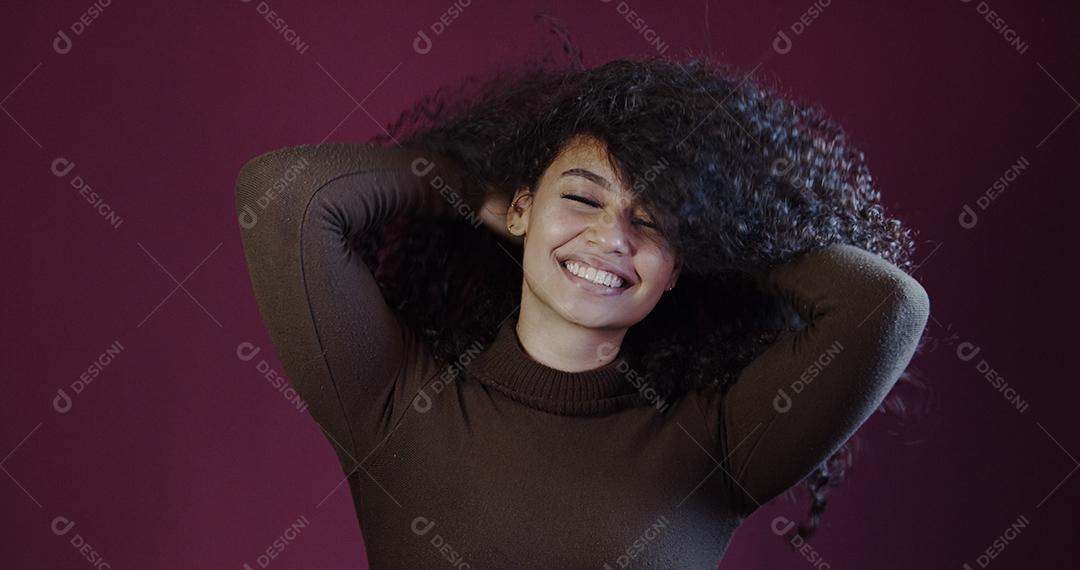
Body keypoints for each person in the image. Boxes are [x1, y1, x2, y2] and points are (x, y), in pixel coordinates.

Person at [233, 55, 930, 569]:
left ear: (680, 263)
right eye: (583, 198)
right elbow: (287, 198)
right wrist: (479, 188)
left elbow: (885, 306)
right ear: (523, 209)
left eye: (652, 221)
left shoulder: (716, 447)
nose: (611, 237)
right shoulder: (393, 403)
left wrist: (719, 230)